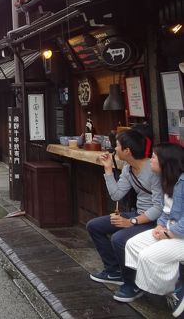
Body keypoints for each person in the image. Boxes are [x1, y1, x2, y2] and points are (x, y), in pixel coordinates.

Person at [86, 129, 163, 302]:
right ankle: (114, 271)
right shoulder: (128, 169)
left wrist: (131, 221)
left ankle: (132, 284)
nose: (114, 148)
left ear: (127, 150)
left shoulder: (153, 170)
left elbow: (159, 208)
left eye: (118, 145)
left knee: (119, 239)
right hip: (137, 215)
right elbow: (116, 195)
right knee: (94, 226)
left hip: (154, 220)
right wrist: (107, 170)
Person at [125, 143, 184, 315]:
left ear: (166, 162)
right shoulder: (168, 181)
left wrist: (169, 233)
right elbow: (166, 211)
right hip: (171, 231)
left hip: (179, 235)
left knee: (147, 256)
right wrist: (160, 226)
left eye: (154, 157)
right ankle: (171, 288)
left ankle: (175, 289)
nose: (150, 160)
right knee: (133, 244)